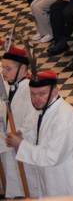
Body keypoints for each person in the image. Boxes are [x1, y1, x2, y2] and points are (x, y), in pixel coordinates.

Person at [4, 70, 73, 197]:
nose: (36, 99)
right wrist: (23, 136)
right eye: (33, 94)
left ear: (54, 92)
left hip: (66, 180)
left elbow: (51, 157)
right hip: (50, 178)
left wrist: (21, 144)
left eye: (42, 94)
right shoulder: (43, 108)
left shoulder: (64, 117)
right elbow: (38, 134)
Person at [0, 47, 40, 198]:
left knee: (31, 184)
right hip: (12, 141)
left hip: (25, 146)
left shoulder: (32, 90)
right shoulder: (9, 84)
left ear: (23, 68)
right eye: (3, 67)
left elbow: (34, 120)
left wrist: (20, 133)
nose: (3, 72)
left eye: (7, 68)